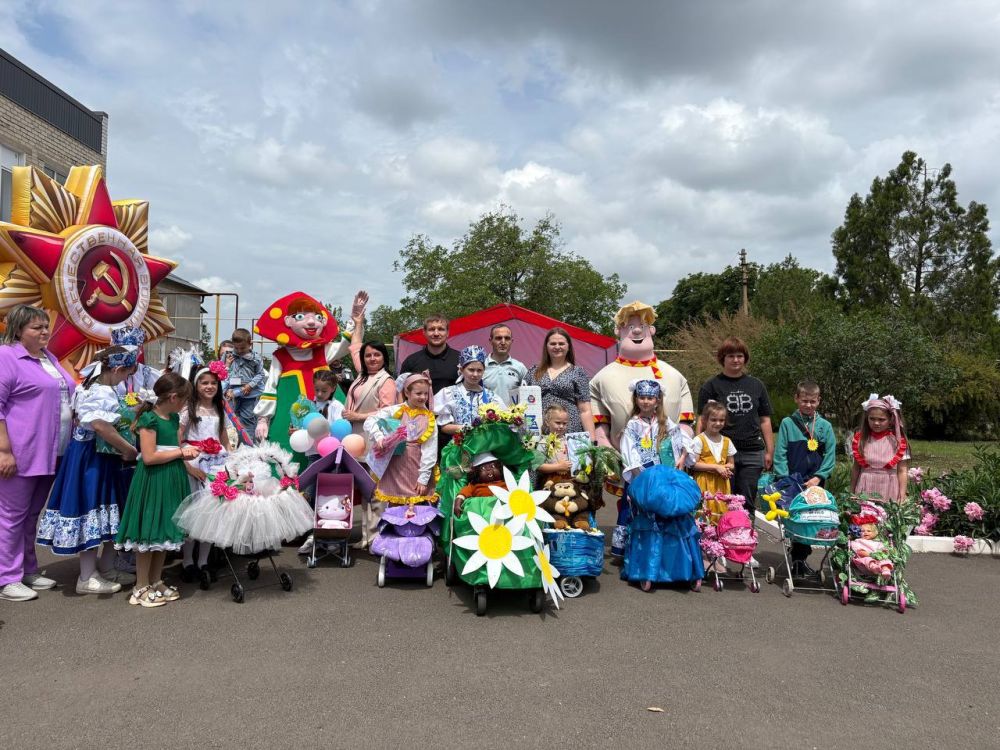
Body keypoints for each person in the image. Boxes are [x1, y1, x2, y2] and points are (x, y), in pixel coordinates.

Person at [35, 340, 140, 594]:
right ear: (116, 370)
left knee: (108, 512)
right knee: (91, 509)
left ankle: (105, 567)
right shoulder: (99, 390)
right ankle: (86, 576)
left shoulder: (94, 385)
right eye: (126, 373)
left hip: (100, 457)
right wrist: (129, 449)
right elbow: (100, 425)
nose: (126, 378)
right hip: (91, 458)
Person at [0, 305, 76, 602]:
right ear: (18, 330)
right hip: (21, 452)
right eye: (36, 327)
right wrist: (3, 450)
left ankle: (28, 569)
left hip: (51, 452)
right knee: (10, 516)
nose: (44, 331)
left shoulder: (49, 358)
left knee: (31, 515)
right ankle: (7, 577)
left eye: (46, 326)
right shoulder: (7, 356)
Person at [590, 301, 694, 507]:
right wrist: (608, 452)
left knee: (668, 505)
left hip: (668, 462)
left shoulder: (675, 376)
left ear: (651, 330)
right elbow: (600, 426)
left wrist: (682, 453)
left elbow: (685, 423)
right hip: (628, 461)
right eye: (630, 327)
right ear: (618, 331)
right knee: (630, 505)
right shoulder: (601, 378)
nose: (637, 331)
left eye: (642, 327)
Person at [115, 372, 199, 608]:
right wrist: (181, 452)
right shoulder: (149, 420)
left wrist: (184, 452)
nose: (185, 404)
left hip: (171, 478)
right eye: (184, 399)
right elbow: (149, 457)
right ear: (173, 397)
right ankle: (140, 586)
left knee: (165, 530)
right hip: (153, 479)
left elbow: (173, 447)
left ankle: (155, 580)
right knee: (150, 531)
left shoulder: (172, 420)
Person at [254, 290, 367, 465]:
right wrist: (263, 419)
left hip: (328, 415)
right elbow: (270, 387)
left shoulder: (323, 350)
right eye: (301, 316)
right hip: (288, 414)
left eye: (317, 317)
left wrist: (355, 319)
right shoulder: (280, 356)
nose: (312, 322)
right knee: (287, 455)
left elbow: (345, 346)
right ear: (288, 322)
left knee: (331, 450)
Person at [697, 337, 773, 531]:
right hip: (719, 453)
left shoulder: (756, 385)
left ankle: (745, 543)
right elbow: (702, 419)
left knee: (746, 500)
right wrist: (697, 449)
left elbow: (765, 419)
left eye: (740, 356)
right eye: (731, 356)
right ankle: (720, 543)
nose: (736, 360)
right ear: (723, 358)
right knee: (721, 499)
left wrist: (769, 451)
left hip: (752, 451)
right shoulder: (711, 386)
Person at [613, 380, 690, 558]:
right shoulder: (633, 424)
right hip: (641, 474)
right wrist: (638, 475)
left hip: (662, 473)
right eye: (642, 397)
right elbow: (629, 450)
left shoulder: (665, 422)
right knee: (634, 506)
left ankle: (663, 545)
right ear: (636, 399)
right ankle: (632, 548)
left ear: (657, 400)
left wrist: (683, 457)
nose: (646, 401)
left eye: (650, 398)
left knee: (661, 507)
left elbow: (682, 439)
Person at [363, 372, 438, 548]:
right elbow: (370, 421)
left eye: (425, 394)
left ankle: (418, 544)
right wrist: (380, 436)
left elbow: (430, 450)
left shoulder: (429, 417)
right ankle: (393, 542)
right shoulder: (395, 411)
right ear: (406, 392)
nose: (422, 397)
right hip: (396, 465)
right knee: (394, 505)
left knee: (417, 504)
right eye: (418, 393)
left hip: (416, 465)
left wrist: (423, 477)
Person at [773, 381, 837, 576]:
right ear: (796, 399)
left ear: (819, 401)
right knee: (795, 519)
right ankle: (796, 558)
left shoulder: (825, 426)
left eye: (812, 401)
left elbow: (830, 455)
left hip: (816, 483)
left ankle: (800, 558)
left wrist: (819, 477)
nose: (808, 405)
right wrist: (785, 479)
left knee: (811, 519)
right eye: (804, 401)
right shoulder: (787, 423)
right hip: (793, 481)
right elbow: (781, 452)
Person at [179, 361, 232, 585]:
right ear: (196, 385)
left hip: (217, 462)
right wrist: (186, 461)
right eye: (204, 382)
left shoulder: (220, 407)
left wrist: (231, 458)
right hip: (196, 460)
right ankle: (187, 561)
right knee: (194, 511)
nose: (209, 386)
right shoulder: (188, 408)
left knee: (212, 511)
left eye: (213, 383)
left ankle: (204, 561)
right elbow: (179, 435)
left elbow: (223, 435)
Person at [525, 327, 595, 437]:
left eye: (561, 343)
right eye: (553, 344)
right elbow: (524, 402)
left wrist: (592, 441)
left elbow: (585, 410)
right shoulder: (534, 371)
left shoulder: (578, 372)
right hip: (538, 430)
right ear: (546, 347)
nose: (557, 347)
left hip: (570, 431)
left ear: (568, 347)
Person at [849, 394, 909, 503]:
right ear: (867, 418)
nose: (876, 423)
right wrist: (852, 491)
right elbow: (856, 468)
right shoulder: (861, 439)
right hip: (865, 487)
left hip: (889, 487)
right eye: (872, 419)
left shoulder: (898, 441)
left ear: (891, 419)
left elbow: (902, 470)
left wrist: (902, 494)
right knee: (865, 517)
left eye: (881, 419)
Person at [436, 345, 502, 437]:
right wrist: (469, 428)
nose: (475, 374)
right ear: (462, 369)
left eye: (479, 370)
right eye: (471, 370)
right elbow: (444, 427)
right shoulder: (449, 393)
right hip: (459, 447)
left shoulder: (491, 397)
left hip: (485, 448)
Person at [690, 401, 737, 521]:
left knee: (721, 511)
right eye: (714, 420)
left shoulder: (727, 441)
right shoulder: (699, 440)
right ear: (704, 420)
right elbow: (693, 464)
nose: (718, 423)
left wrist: (726, 468)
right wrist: (716, 467)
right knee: (704, 512)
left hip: (721, 483)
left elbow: (731, 464)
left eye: (721, 420)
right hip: (703, 482)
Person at [343, 340, 396, 446]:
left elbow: (388, 412)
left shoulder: (386, 380)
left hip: (370, 436)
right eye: (368, 355)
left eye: (377, 355)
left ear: (384, 357)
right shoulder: (362, 375)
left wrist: (358, 416)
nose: (372, 359)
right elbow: (356, 347)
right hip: (350, 433)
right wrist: (358, 324)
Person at [398, 314, 460, 396]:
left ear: (448, 333)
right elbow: (402, 393)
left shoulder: (460, 359)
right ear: (424, 332)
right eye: (431, 329)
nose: (436, 333)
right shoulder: (411, 362)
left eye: (441, 329)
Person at [222, 328, 265, 445]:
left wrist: (250, 386)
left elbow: (260, 374)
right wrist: (226, 365)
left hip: (249, 394)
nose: (239, 351)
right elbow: (222, 372)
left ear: (250, 344)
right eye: (237, 348)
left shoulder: (256, 358)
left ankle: (249, 446)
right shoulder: (228, 356)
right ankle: (233, 445)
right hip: (232, 394)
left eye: (243, 348)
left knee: (247, 420)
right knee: (231, 419)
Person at [483, 324, 527, 406]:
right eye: (498, 338)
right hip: (487, 417)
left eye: (507, 338)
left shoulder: (520, 367)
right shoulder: (481, 367)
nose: (503, 342)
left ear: (511, 341)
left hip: (513, 417)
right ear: (490, 341)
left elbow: (528, 395)